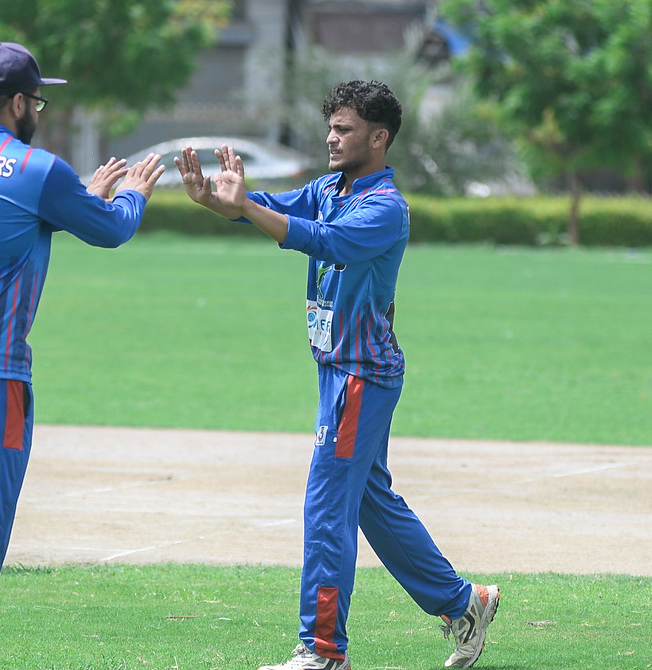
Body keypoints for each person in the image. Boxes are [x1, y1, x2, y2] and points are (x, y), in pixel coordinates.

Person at [174, 80, 500, 670]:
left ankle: (323, 650)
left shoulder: (385, 208)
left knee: (327, 507)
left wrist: (247, 208)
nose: (330, 137)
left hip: (361, 375)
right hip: (339, 371)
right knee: (371, 501)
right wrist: (222, 201)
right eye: (330, 126)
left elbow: (324, 241)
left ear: (378, 138)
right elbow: (276, 207)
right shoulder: (329, 188)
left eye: (343, 129)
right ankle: (464, 602)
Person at [0, 41, 164, 670]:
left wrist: (77, 197)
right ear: (17, 102)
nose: (38, 112)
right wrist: (130, 195)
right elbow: (111, 229)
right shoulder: (38, 169)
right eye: (37, 102)